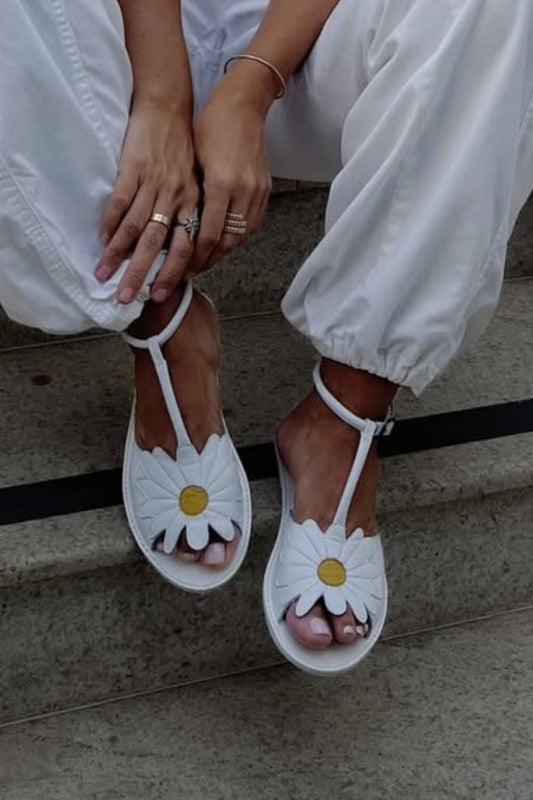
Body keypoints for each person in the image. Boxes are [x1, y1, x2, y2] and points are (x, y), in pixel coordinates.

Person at [1, 0, 532, 674]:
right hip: (105, 41)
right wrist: (162, 99)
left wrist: (249, 87)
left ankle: (345, 412)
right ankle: (163, 325)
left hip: (302, 37)